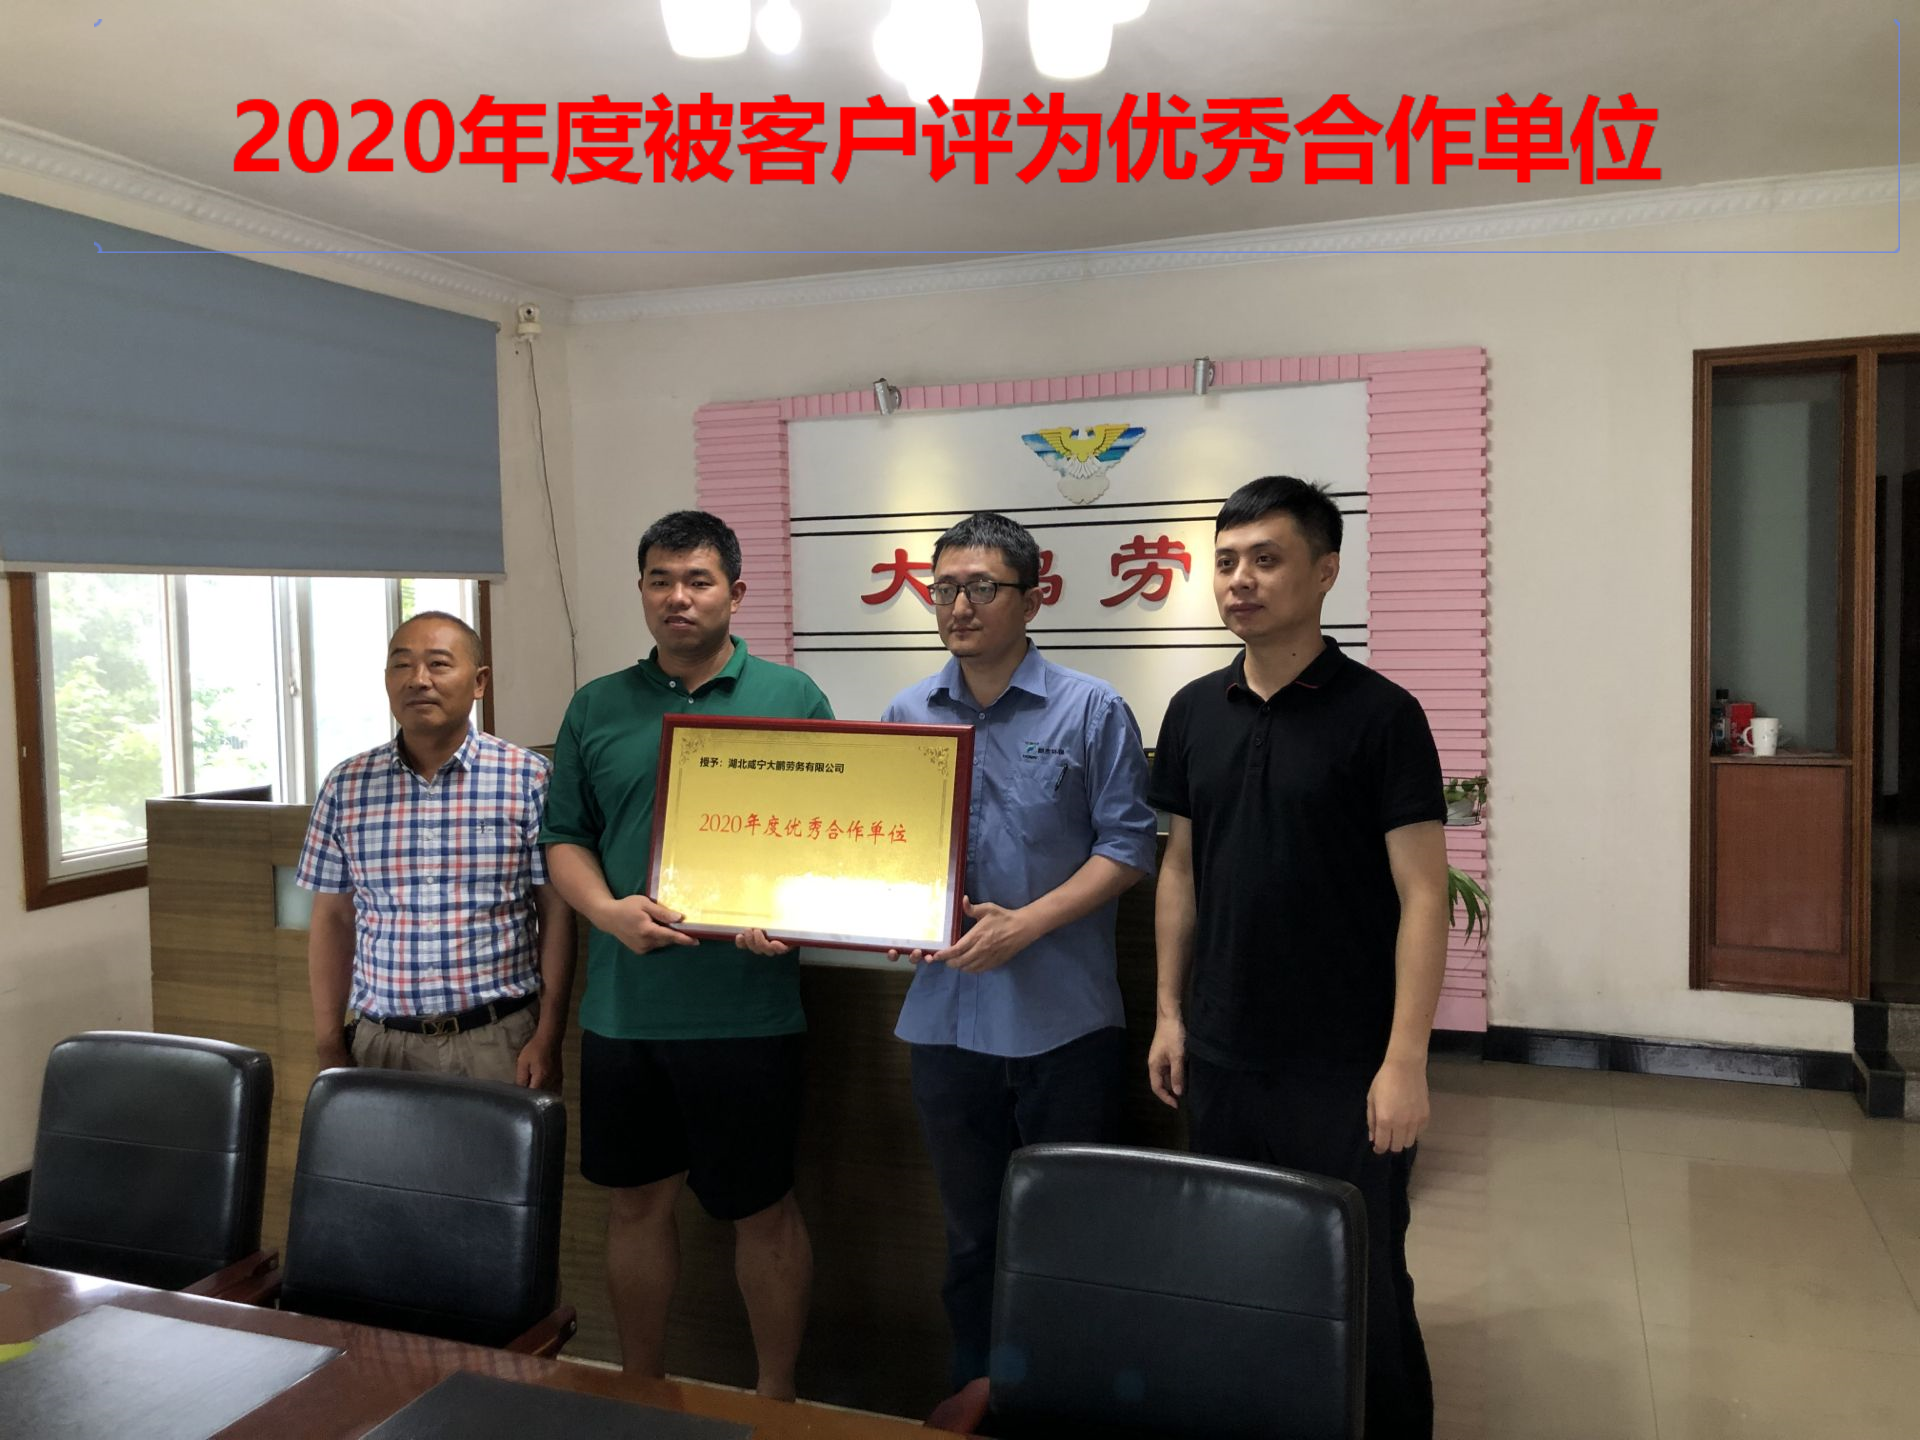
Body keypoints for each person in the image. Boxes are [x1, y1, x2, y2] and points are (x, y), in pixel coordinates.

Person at [1147, 476, 1450, 1440]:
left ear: (1324, 573)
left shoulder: (1383, 715)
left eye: (1266, 559)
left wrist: (1405, 1061)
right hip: (1223, 1053)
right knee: (1237, 1267)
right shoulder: (1193, 711)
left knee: (1362, 1275)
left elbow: (1425, 893)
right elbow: (1180, 871)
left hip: (1344, 1065)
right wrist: (1169, 1013)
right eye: (1226, 561)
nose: (1239, 579)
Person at [541, 510, 832, 1401]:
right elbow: (564, 839)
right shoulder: (595, 706)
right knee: (635, 1205)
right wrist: (607, 913)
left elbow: (828, 840)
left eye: (698, 580)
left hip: (748, 1007)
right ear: (640, 590)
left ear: (736, 592)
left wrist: (788, 913)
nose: (678, 597)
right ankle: (641, 1391)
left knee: (764, 1211)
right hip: (626, 1011)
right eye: (660, 580)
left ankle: (776, 1402)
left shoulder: (793, 698)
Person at [878, 512, 1157, 1388]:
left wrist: (1027, 924)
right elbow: (891, 853)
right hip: (946, 1027)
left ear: (1033, 600)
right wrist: (894, 915)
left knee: (1072, 1237)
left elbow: (1128, 849)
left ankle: (1072, 1402)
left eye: (982, 588)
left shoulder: (1091, 708)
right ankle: (979, 1400)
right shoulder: (907, 714)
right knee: (970, 1240)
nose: (959, 606)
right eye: (944, 588)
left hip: (1063, 1024)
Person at [297, 610, 575, 1087]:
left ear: (479, 681)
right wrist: (328, 1042)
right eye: (402, 665)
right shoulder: (346, 786)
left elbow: (555, 912)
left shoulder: (528, 779)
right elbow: (333, 919)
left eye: (439, 664)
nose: (418, 680)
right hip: (380, 1044)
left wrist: (548, 1037)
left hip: (499, 1041)